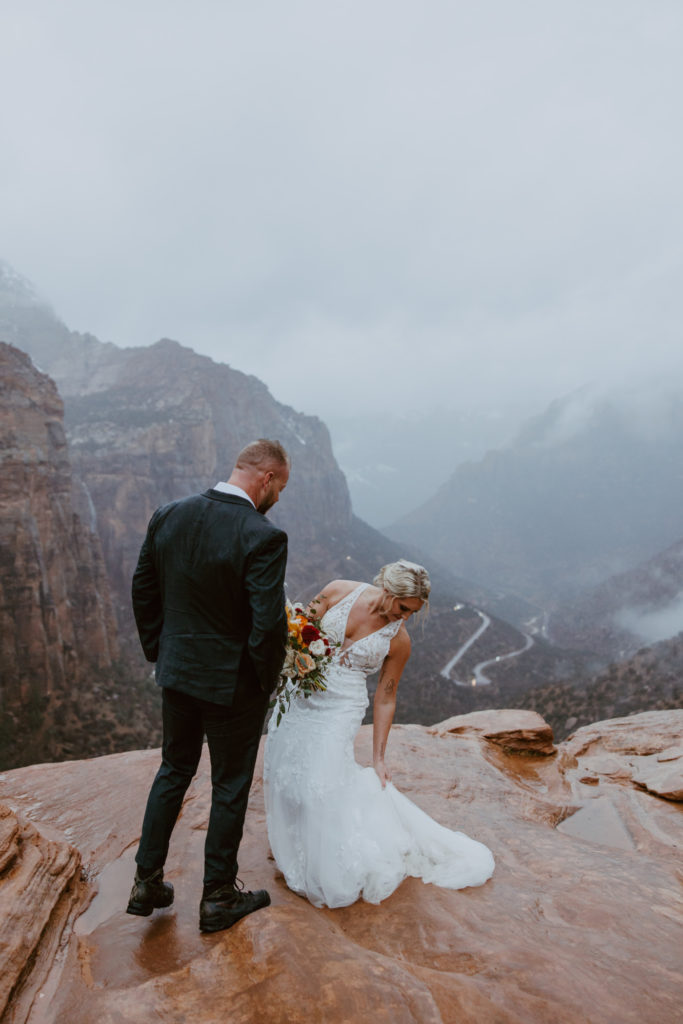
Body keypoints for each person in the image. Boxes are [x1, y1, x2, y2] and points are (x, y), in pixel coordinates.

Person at [127, 439, 290, 933]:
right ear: (266, 479)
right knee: (230, 785)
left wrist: (161, 652)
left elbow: (143, 588)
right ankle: (218, 895)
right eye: (280, 487)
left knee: (173, 770)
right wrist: (265, 684)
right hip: (232, 686)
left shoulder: (168, 514)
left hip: (177, 674)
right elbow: (267, 626)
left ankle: (146, 881)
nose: (278, 498)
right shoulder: (263, 535)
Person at [264, 560, 494, 908]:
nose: (405, 617)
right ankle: (295, 841)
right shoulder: (337, 589)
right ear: (388, 590)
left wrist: (379, 758)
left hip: (341, 708)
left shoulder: (398, 640)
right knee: (286, 771)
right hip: (299, 697)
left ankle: (324, 859)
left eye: (412, 612)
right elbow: (296, 628)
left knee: (319, 782)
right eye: (403, 608)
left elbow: (386, 696)